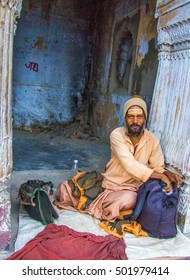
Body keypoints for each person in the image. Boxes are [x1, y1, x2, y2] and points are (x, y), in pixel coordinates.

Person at [55, 95, 183, 223]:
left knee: (130, 198)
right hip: (109, 184)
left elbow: (157, 167)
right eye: (130, 116)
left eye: (139, 117)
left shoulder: (153, 140)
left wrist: (169, 174)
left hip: (131, 189)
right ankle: (102, 206)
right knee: (65, 189)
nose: (135, 121)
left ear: (144, 119)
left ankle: (103, 207)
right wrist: (161, 176)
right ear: (125, 118)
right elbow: (130, 165)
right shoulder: (117, 135)